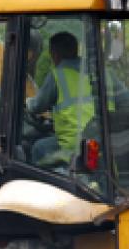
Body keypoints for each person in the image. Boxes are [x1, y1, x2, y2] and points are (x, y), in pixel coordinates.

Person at [27, 32, 93, 163]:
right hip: (98, 138)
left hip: (73, 142)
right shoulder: (95, 72)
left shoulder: (58, 75)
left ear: (54, 53)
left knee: (38, 148)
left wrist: (27, 102)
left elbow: (37, 106)